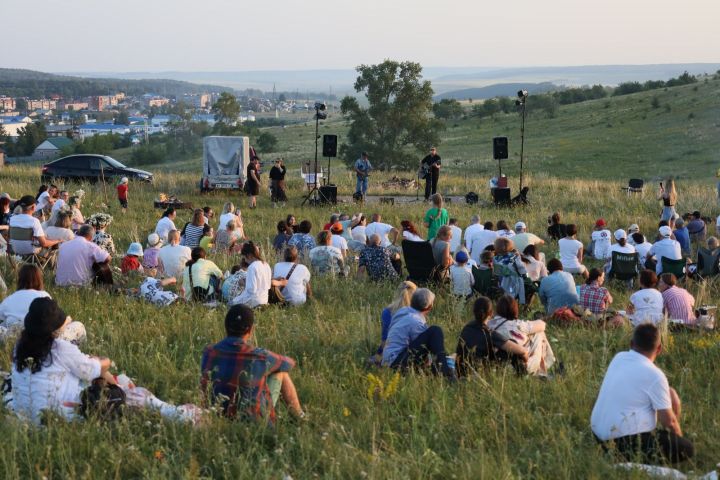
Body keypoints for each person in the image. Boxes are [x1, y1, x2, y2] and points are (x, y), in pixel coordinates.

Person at [591, 323, 694, 465]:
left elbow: (637, 382)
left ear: (631, 344)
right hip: (621, 443)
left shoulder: (619, 357)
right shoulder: (655, 375)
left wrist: (668, 391)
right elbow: (669, 422)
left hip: (597, 436)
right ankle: (625, 460)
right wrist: (678, 441)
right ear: (659, 349)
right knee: (686, 448)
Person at [8, 298, 114, 424]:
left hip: (24, 415)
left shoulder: (19, 346)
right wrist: (105, 361)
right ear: (53, 328)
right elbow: (90, 371)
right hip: (59, 416)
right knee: (100, 377)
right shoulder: (60, 348)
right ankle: (119, 387)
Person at [200, 304, 305, 423]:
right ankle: (300, 417)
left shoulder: (208, 352)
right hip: (252, 421)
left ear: (225, 326)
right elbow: (289, 363)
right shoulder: (259, 356)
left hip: (215, 415)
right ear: (250, 330)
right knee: (280, 373)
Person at [382, 288, 455, 379]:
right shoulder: (416, 321)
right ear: (429, 307)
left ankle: (443, 366)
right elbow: (424, 353)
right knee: (435, 331)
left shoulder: (402, 312)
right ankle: (445, 371)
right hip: (397, 363)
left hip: (389, 360)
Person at [456, 296, 529, 377]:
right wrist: (525, 359)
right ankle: (524, 377)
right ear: (491, 314)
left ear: (474, 311)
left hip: (461, 371)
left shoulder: (466, 328)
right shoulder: (489, 334)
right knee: (512, 347)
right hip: (478, 374)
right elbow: (522, 351)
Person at [488, 295, 555, 376]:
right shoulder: (519, 325)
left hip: (499, 364)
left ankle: (544, 368)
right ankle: (546, 366)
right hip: (521, 365)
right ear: (514, 309)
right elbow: (542, 325)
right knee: (539, 333)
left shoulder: (490, 324)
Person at [0, 265, 49, 337]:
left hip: (13, 334)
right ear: (39, 279)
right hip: (38, 335)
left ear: (20, 280)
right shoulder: (44, 295)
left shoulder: (10, 299)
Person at [375, 281, 417, 362]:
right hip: (408, 353)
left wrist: (380, 354)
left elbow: (385, 339)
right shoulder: (414, 313)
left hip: (388, 351)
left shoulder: (387, 312)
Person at [231, 242, 273, 308]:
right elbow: (268, 284)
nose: (245, 260)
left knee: (231, 303)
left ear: (249, 255)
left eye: (244, 257)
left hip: (254, 300)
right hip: (264, 299)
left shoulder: (252, 267)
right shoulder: (266, 265)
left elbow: (251, 289)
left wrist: (244, 283)